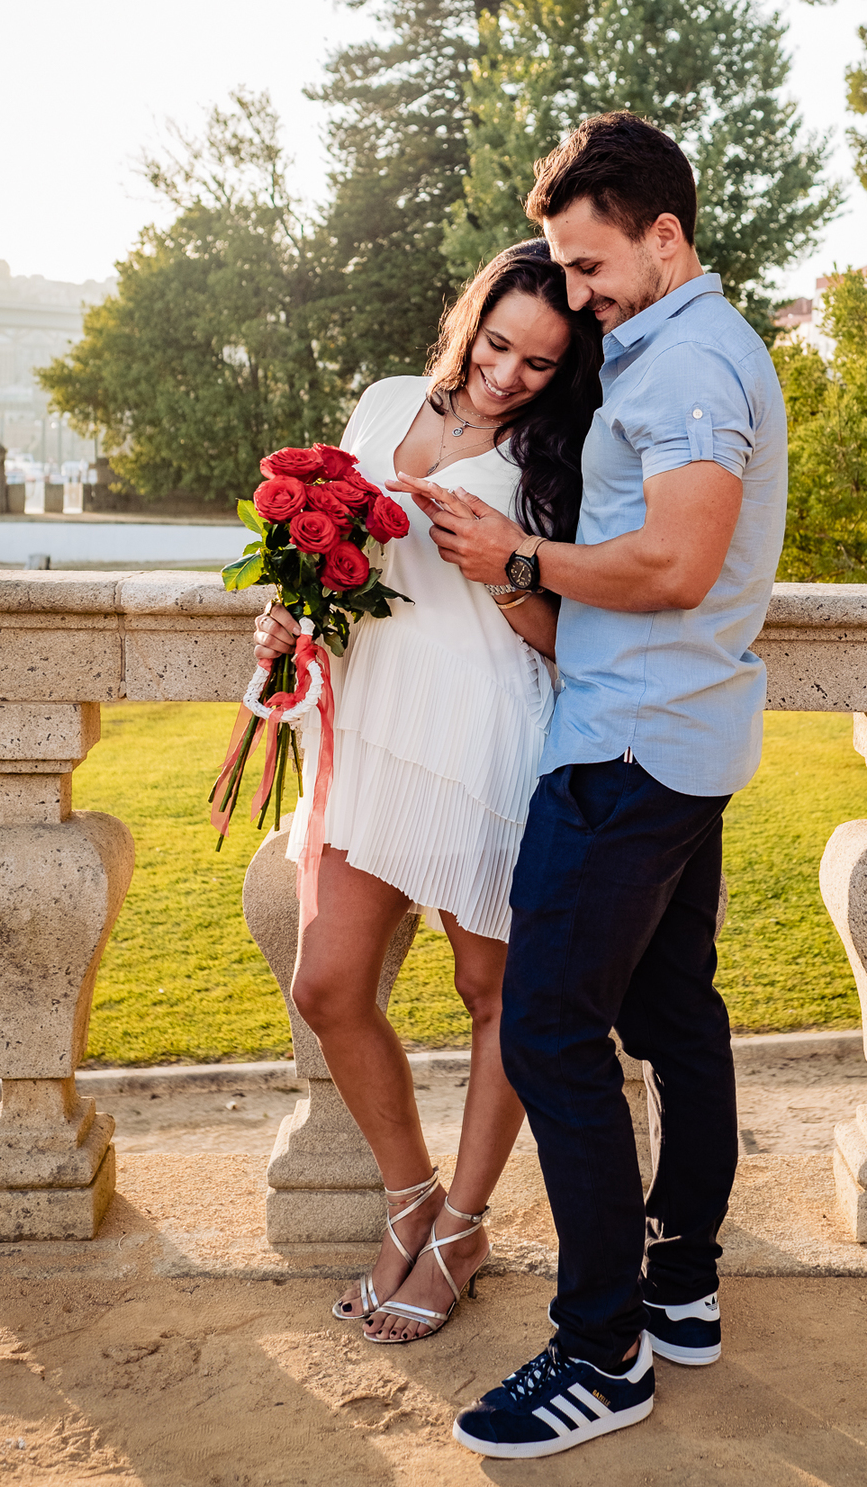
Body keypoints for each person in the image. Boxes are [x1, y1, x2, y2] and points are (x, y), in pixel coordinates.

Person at [395, 112, 787, 1459]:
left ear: (664, 235)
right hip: (682, 738)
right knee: (675, 1014)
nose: (572, 292)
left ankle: (603, 1351)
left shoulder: (689, 367)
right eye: (562, 266)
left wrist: (517, 560)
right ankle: (681, 1286)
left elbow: (676, 564)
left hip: (626, 747)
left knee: (552, 1032)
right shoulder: (695, 347)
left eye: (589, 264)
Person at [251, 240, 601, 1346]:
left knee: (493, 992)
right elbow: (338, 567)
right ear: (471, 320)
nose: (507, 376)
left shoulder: (559, 456)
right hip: (369, 725)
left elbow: (569, 640)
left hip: (485, 734)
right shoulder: (386, 401)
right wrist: (292, 609)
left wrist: (503, 568)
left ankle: (459, 1227)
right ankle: (410, 1195)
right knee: (326, 985)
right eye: (497, 345)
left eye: (539, 364)